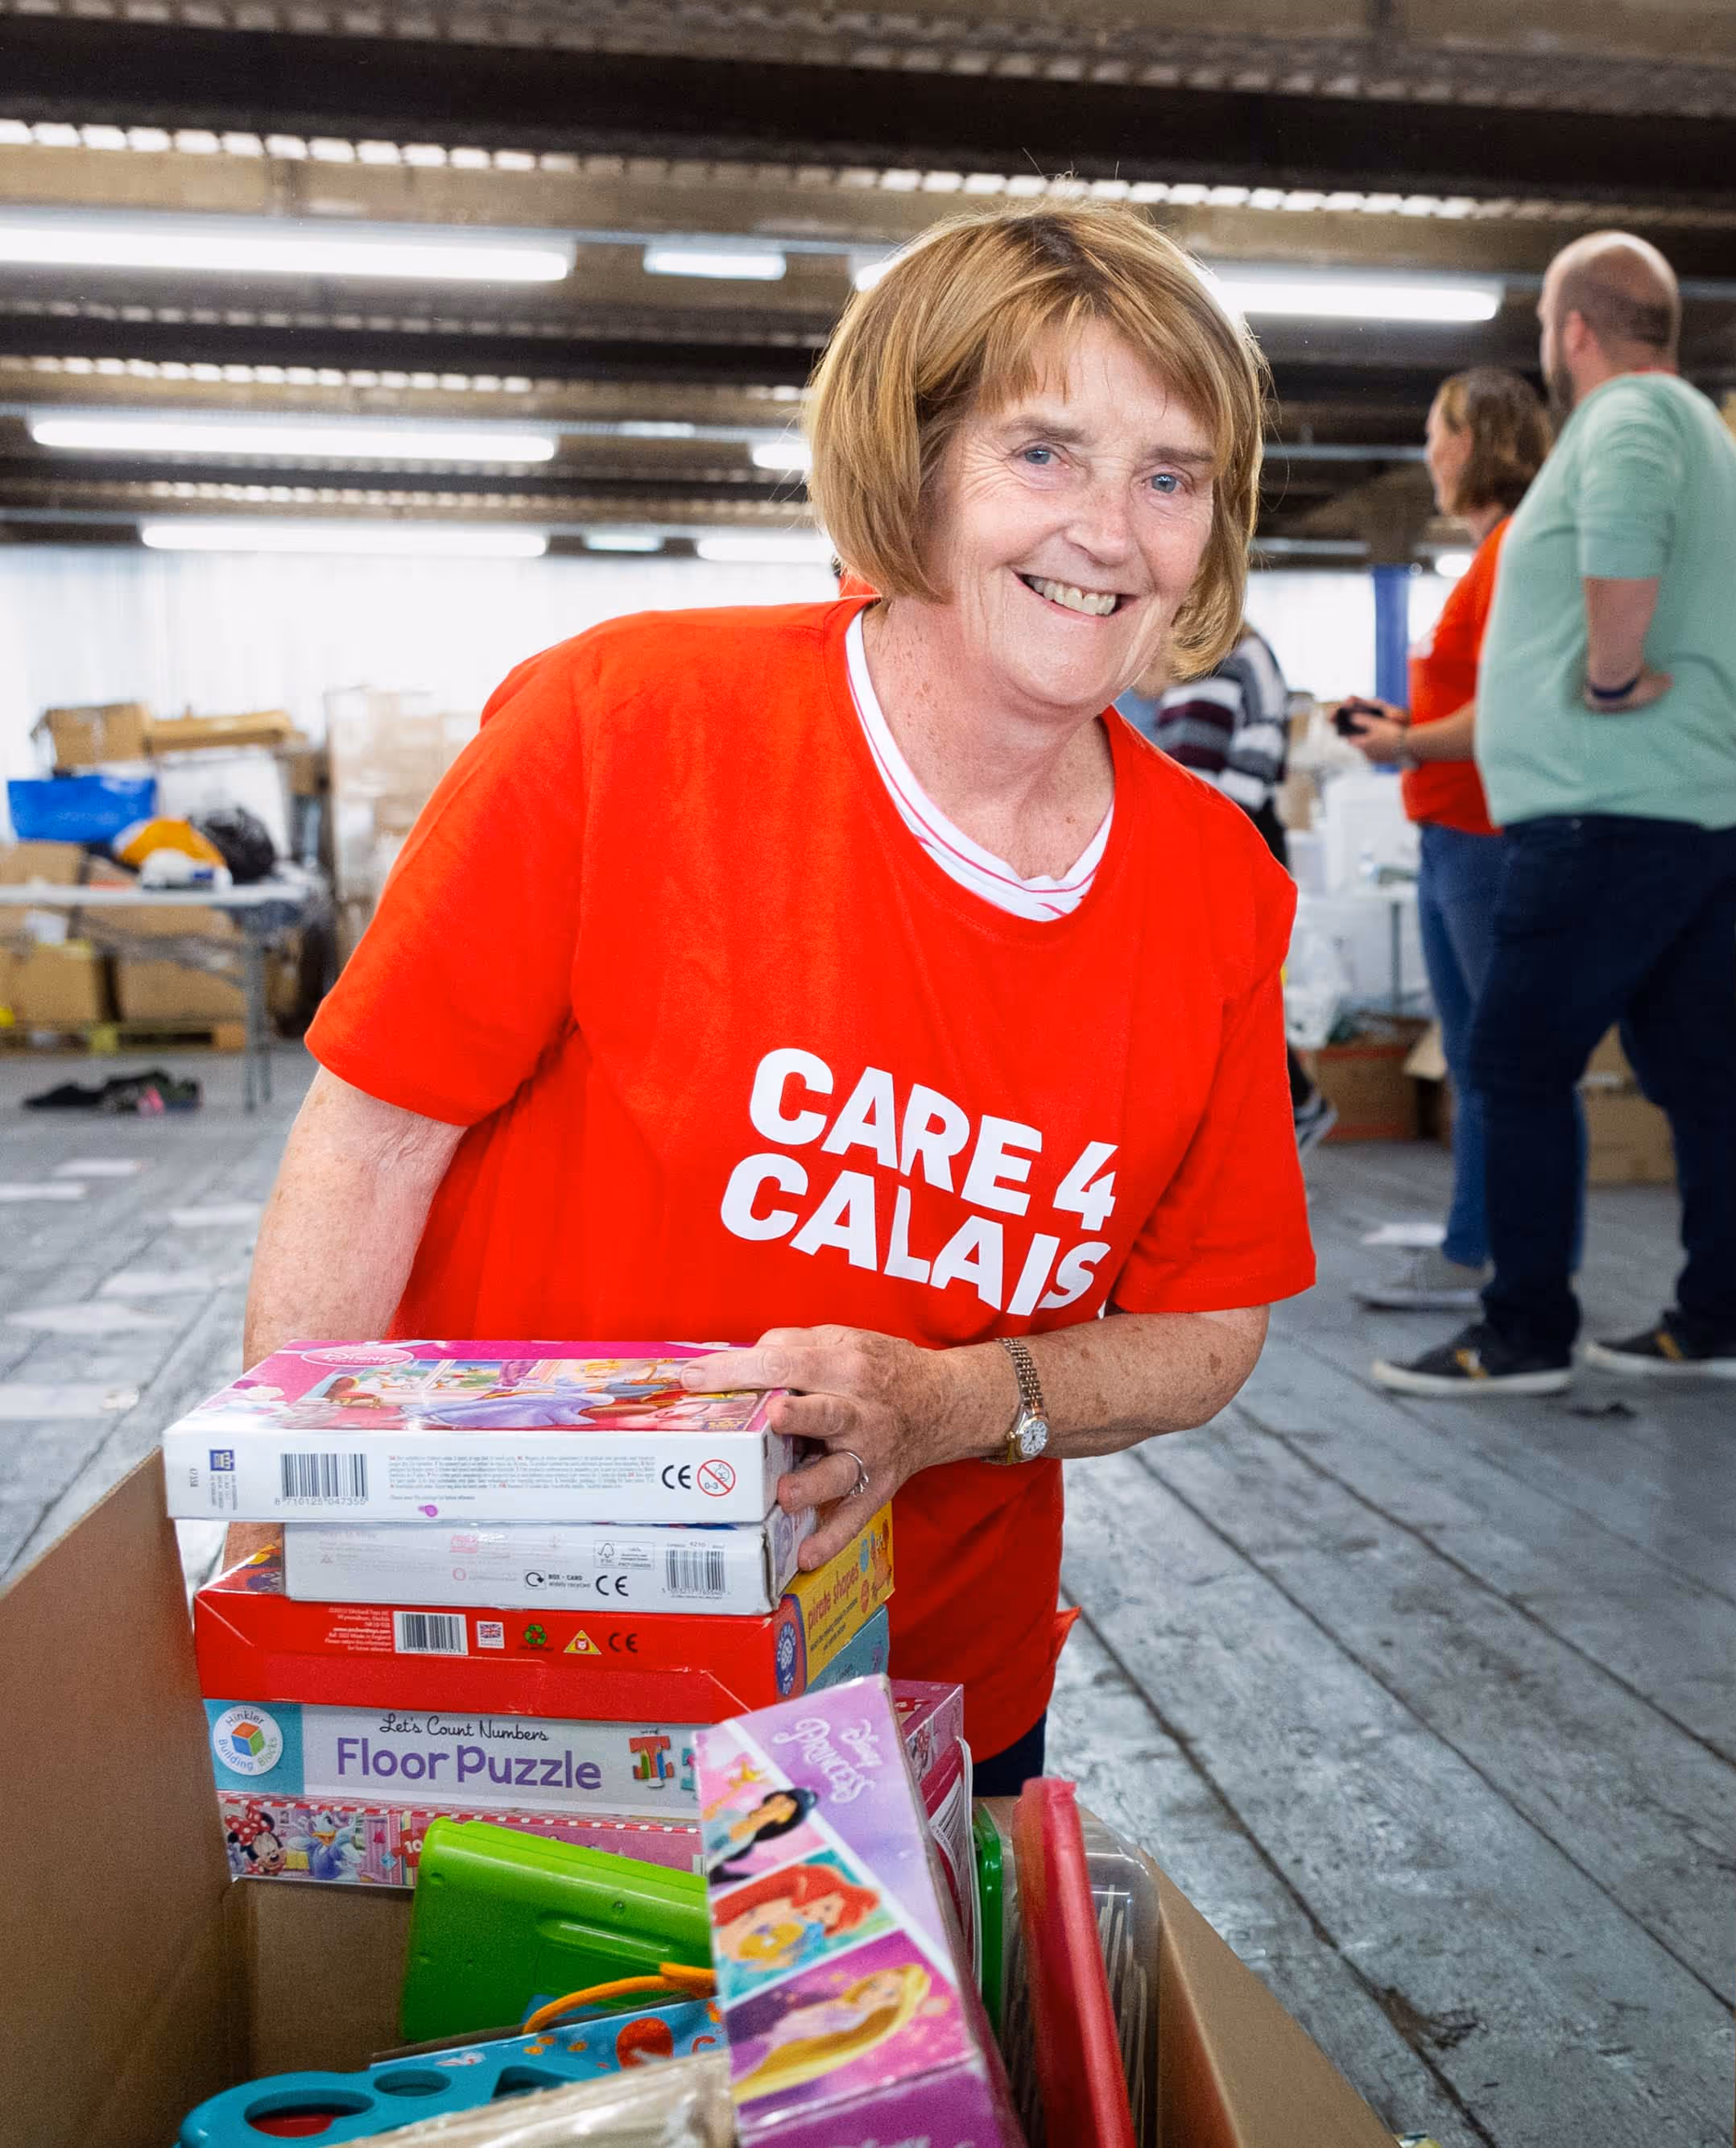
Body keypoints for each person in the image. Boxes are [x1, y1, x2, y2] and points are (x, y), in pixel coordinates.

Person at [238, 201, 1316, 1796]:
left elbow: (1211, 1325)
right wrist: (284, 1562)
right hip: (518, 1653)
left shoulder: (1216, 885)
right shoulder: (623, 722)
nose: (1109, 530)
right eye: (1042, 453)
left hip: (922, 1684)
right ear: (912, 465)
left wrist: (956, 1401)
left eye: (1170, 477)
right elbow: (373, 1139)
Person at [1370, 231, 1736, 1396]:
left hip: (1609, 808)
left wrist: (1608, 675)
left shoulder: (1628, 417)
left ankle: (1524, 1330)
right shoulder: (1706, 432)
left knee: (1513, 1063)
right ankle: (1724, 1315)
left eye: (1548, 323)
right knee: (1693, 1067)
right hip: (1690, 807)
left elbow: (1627, 527)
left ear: (1576, 330)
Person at [1328, 368, 1558, 1310]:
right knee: (1471, 1057)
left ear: (1476, 442)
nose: (1428, 453)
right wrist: (1405, 726)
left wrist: (1406, 743)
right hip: (1452, 833)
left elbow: (1512, 714)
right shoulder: (1487, 558)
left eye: (1438, 433)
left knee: (1497, 1062)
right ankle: (1480, 1246)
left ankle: (1493, 1260)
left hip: (1486, 837)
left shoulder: (1512, 554)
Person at [1150, 623, 1334, 1147]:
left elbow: (1245, 773)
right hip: (1195, 842)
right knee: (1199, 1002)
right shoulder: (1189, 661)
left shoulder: (1244, 656)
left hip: (1232, 841)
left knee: (1232, 1001)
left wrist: (1202, 851)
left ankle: (1296, 1108)